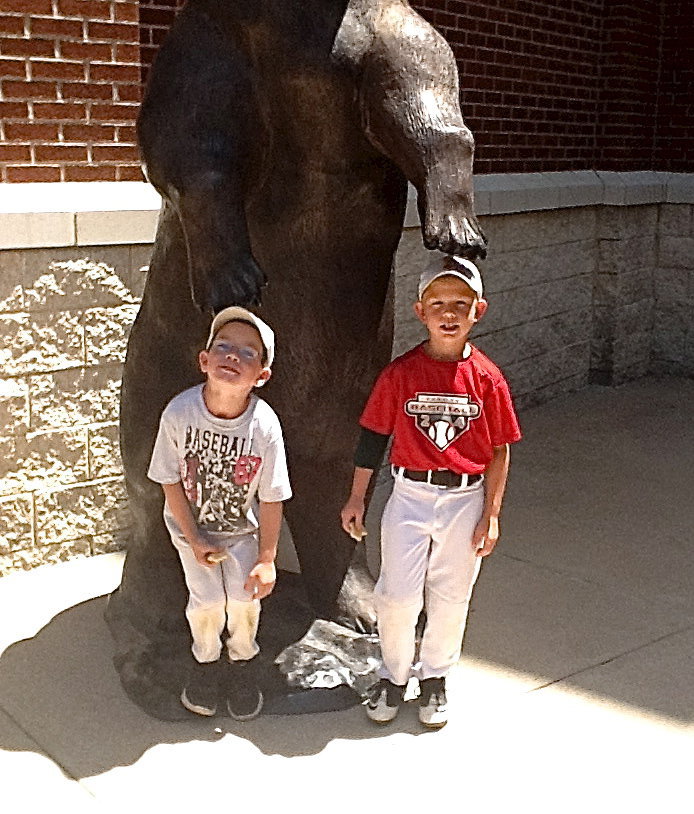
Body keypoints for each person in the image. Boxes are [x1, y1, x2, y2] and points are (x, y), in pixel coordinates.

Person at [341, 255, 521, 728]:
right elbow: (373, 437)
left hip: (466, 497)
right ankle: (393, 675)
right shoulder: (401, 374)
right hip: (410, 495)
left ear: (477, 311)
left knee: (450, 594)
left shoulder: (487, 379)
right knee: (397, 595)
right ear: (420, 311)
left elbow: (500, 450)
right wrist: (358, 497)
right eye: (437, 302)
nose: (449, 312)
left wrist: (492, 513)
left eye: (460, 303)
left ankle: (436, 677)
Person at [148, 306, 292, 720]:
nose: (233, 356)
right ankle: (206, 663)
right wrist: (193, 539)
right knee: (208, 599)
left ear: (262, 375)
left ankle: (243, 663)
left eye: (248, 353)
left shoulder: (264, 426)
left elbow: (271, 496)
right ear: (204, 360)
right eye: (223, 346)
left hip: (240, 531)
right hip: (191, 527)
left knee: (245, 599)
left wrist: (267, 559)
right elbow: (169, 479)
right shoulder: (179, 413)